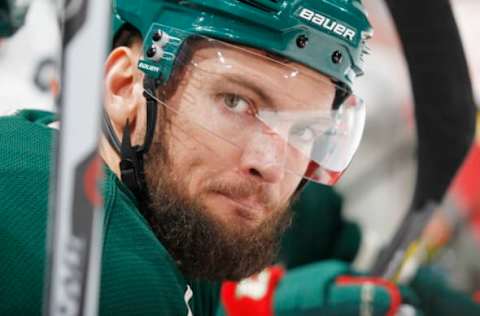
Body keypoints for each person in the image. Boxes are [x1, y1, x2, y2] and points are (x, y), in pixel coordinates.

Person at [0, 0, 448, 315]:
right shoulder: (104, 264)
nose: (270, 162)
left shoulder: (174, 209)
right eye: (235, 102)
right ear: (125, 87)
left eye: (308, 130)